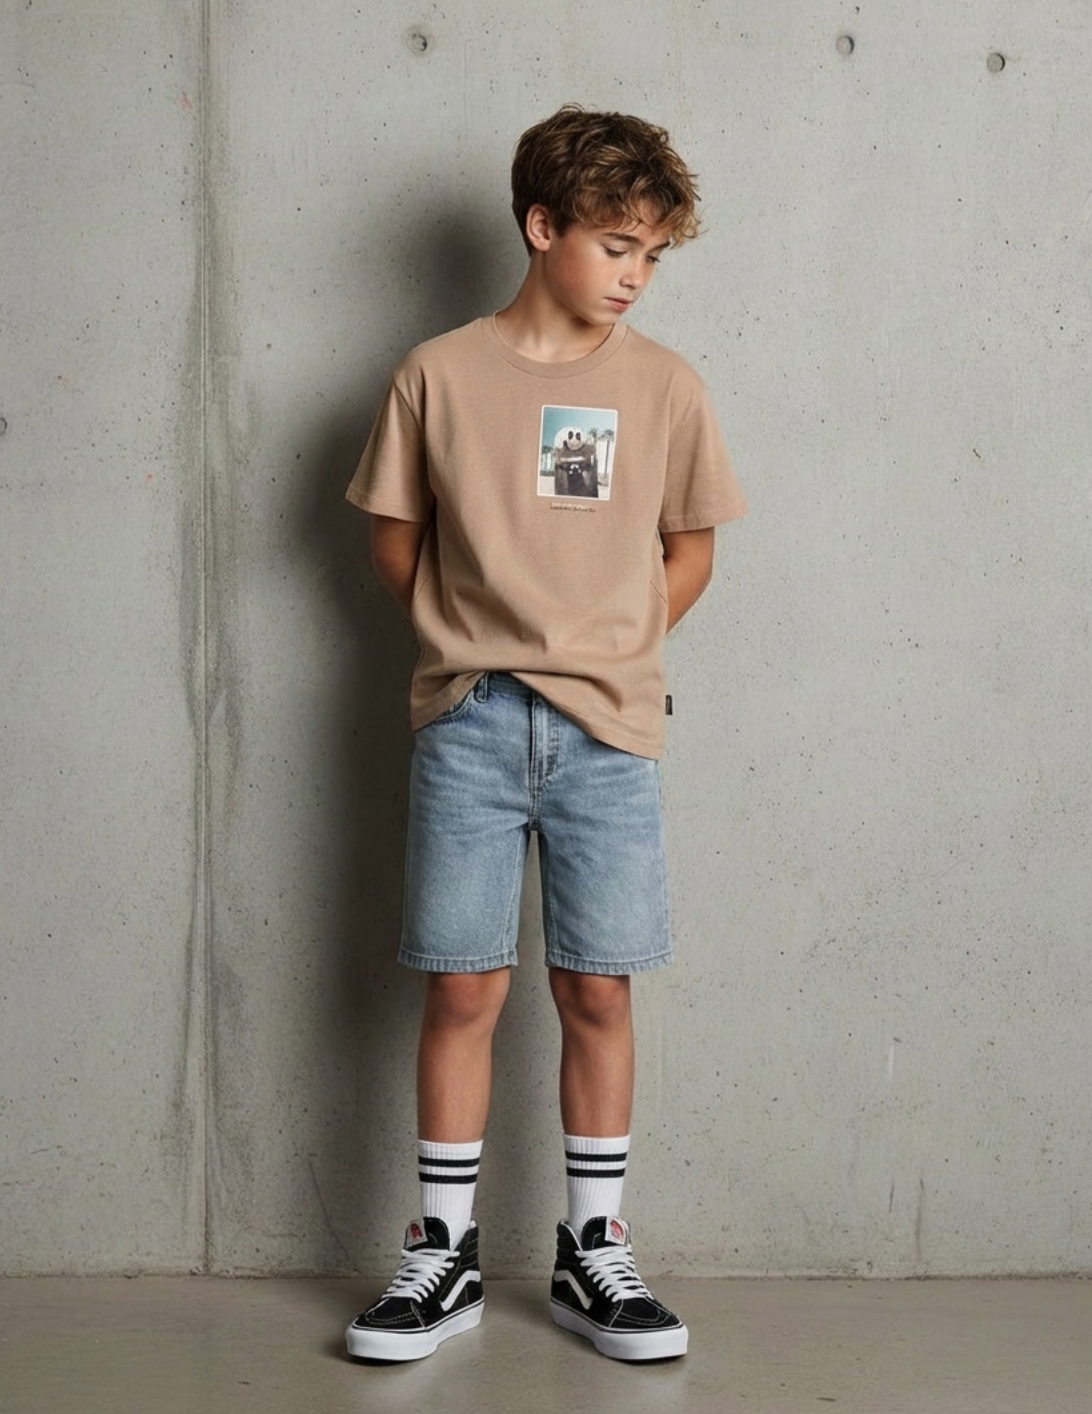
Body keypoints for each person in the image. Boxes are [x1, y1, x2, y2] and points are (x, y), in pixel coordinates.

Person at [343, 104, 747, 1364]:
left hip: (608, 732)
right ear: (540, 226)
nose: (634, 275)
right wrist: (469, 644)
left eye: (652, 256)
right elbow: (395, 539)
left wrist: (608, 646)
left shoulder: (665, 386)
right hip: (468, 723)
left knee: (598, 984)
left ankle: (593, 1249)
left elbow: (691, 550)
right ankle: (444, 1252)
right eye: (617, 245)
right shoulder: (437, 373)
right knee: (462, 983)